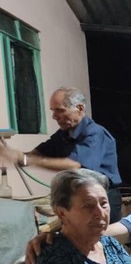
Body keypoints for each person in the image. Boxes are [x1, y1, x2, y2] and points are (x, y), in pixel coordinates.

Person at [0, 87, 124, 221]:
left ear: (80, 108)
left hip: (102, 198)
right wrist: (11, 154)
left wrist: (27, 160)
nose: (54, 116)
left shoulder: (94, 133)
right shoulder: (63, 134)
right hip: (79, 197)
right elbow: (36, 154)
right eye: (53, 111)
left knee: (101, 234)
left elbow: (75, 166)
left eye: (60, 110)